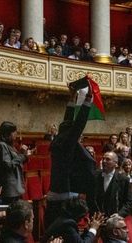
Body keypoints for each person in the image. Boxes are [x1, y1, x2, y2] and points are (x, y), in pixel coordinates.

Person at [45, 81, 96, 227]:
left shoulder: (58, 142)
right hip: (64, 196)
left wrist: (72, 98)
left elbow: (68, 121)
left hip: (55, 192)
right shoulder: (67, 143)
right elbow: (79, 123)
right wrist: (88, 99)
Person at [0, 121, 30, 204]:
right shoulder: (2, 145)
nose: (16, 134)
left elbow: (17, 162)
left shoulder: (10, 146)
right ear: (7, 133)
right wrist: (22, 155)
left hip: (15, 187)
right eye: (14, 132)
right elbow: (8, 165)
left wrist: (24, 154)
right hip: (9, 189)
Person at [91, 151, 132, 217]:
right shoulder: (95, 176)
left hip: (115, 220)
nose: (104, 161)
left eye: (108, 159)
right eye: (103, 159)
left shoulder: (123, 179)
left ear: (115, 163)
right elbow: (90, 197)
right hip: (97, 219)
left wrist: (119, 214)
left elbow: (129, 202)